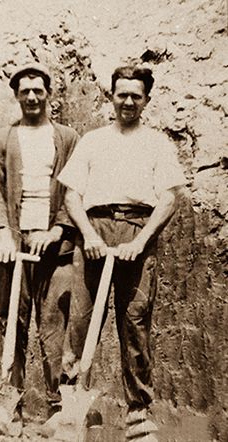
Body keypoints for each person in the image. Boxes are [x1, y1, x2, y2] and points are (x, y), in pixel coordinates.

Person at [58, 65, 186, 439]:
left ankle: (138, 414)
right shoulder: (93, 141)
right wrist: (88, 235)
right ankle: (72, 405)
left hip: (137, 231)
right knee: (81, 321)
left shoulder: (157, 143)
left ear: (146, 100)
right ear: (111, 96)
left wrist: (140, 241)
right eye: (122, 94)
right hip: (94, 231)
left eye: (136, 96)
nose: (128, 101)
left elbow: (169, 198)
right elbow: (71, 194)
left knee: (135, 322)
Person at [0, 61, 80, 416]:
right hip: (14, 244)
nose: (32, 97)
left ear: (48, 94)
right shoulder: (2, 139)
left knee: (55, 326)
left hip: (57, 248)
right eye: (25, 91)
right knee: (12, 321)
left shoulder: (67, 138)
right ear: (16, 96)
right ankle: (12, 404)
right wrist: (3, 235)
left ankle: (59, 407)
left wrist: (56, 230)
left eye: (38, 90)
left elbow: (75, 188)